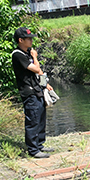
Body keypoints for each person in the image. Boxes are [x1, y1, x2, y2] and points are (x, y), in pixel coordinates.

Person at [12, 27, 54, 158]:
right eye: (28, 39)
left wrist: (45, 84)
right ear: (20, 40)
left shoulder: (27, 53)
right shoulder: (17, 54)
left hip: (37, 89)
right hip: (28, 92)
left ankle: (39, 144)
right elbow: (36, 68)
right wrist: (35, 57)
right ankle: (33, 150)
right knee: (33, 120)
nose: (31, 41)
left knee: (41, 118)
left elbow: (39, 72)